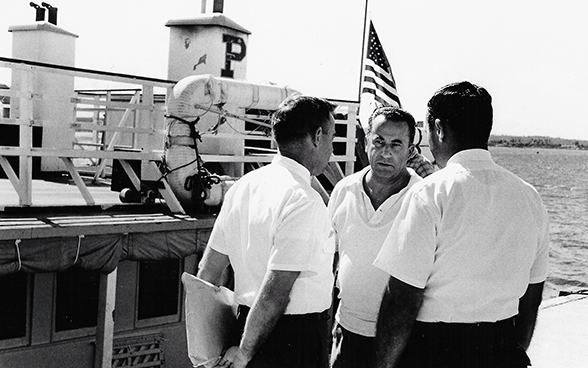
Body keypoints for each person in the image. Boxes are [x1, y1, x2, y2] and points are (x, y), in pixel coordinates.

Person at [373, 81, 550, 368]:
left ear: (439, 129)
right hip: (503, 348)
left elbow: (403, 299)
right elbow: (533, 296)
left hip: (434, 350)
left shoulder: (429, 193)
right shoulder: (530, 197)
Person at [197, 95, 337, 368]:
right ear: (318, 136)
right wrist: (245, 353)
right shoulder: (303, 199)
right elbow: (275, 293)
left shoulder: (242, 187)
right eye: (332, 137)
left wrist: (206, 351)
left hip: (241, 332)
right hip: (293, 341)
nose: (331, 149)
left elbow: (207, 273)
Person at [328, 106, 422, 368]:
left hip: (404, 341)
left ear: (410, 150)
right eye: (378, 141)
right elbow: (330, 261)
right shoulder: (343, 190)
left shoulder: (423, 197)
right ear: (365, 141)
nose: (385, 152)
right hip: (346, 332)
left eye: (396, 144)